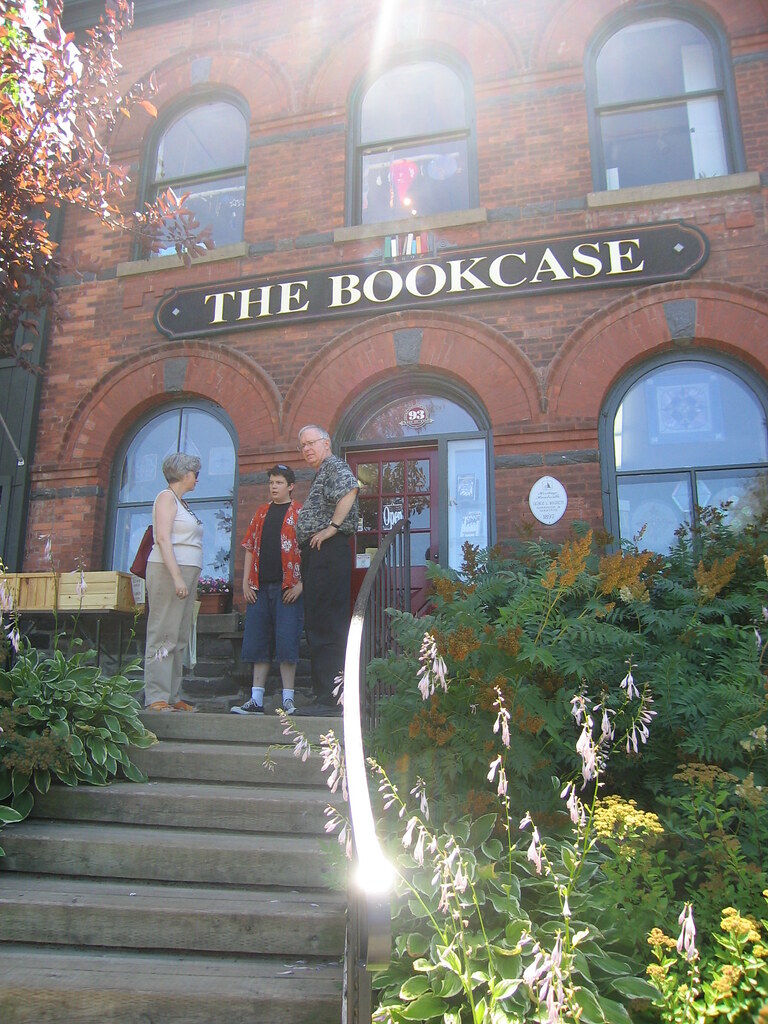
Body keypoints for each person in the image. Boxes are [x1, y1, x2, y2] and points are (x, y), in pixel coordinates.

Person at [296, 426, 359, 715]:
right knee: (319, 623)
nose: (307, 448)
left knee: (327, 625)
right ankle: (327, 695)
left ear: (326, 443)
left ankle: (332, 701)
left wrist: (331, 528)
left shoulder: (335, 465)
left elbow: (350, 489)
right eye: (302, 445)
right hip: (318, 555)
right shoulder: (323, 471)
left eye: (311, 443)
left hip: (327, 553)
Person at [231, 464, 303, 716]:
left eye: (279, 482)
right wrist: (244, 583)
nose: (273, 486)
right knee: (258, 642)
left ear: (291, 486)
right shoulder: (261, 513)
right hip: (259, 588)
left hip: (288, 588)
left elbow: (308, 553)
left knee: (287, 641)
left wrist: (301, 584)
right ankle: (256, 699)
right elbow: (250, 548)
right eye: (271, 482)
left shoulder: (300, 514)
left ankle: (288, 699)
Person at [143, 453, 204, 712]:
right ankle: (156, 695)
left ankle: (172, 694)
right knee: (163, 632)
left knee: (179, 635)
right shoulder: (166, 498)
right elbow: (163, 538)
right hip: (168, 571)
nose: (197, 479)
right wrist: (177, 575)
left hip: (186, 572)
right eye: (194, 474)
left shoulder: (182, 503)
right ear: (182, 474)